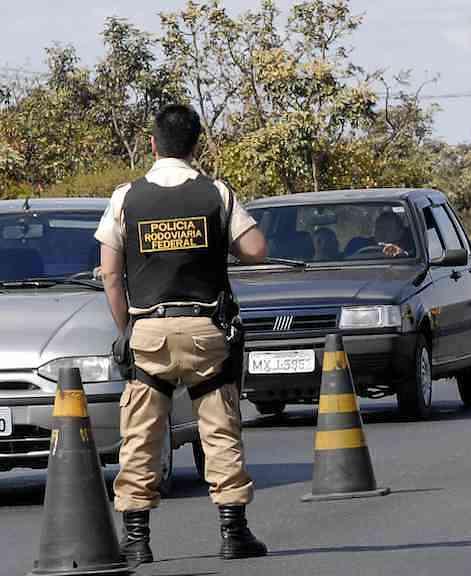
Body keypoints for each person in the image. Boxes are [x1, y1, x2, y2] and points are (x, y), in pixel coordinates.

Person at [95, 103, 269, 563]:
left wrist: (127, 329)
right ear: (196, 145)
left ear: (152, 144)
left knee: (140, 437)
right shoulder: (216, 193)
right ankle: (234, 533)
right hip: (204, 329)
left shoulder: (126, 198)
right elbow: (256, 249)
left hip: (148, 331)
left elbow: (110, 275)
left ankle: (137, 541)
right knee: (220, 430)